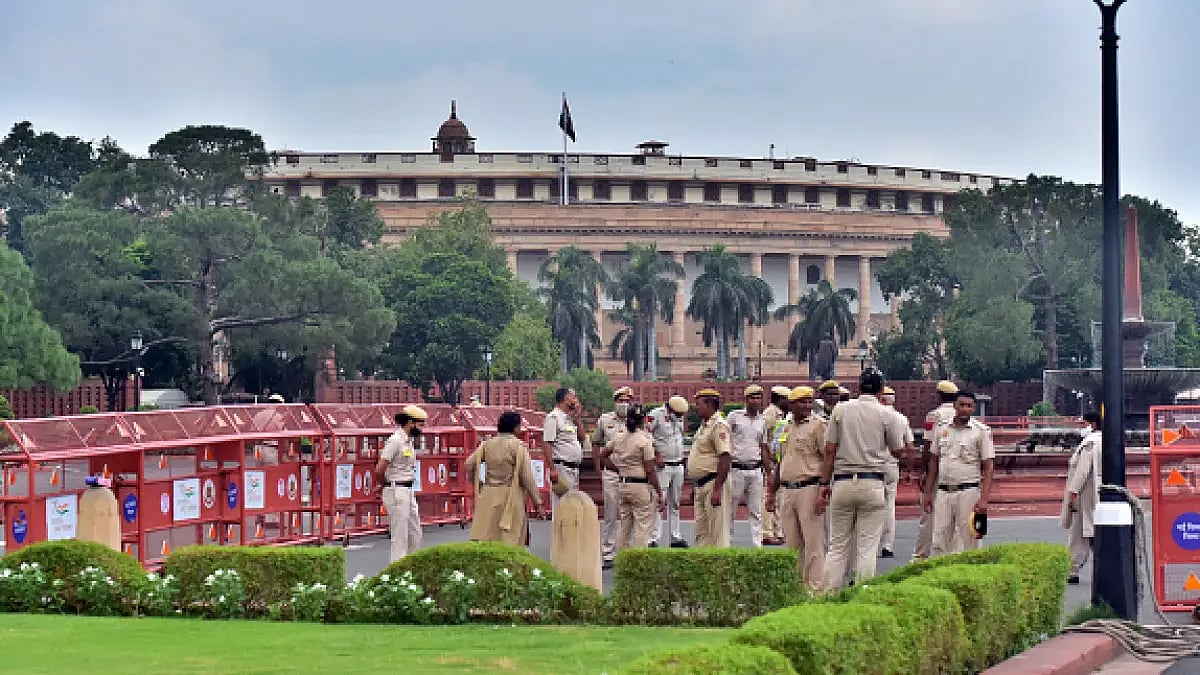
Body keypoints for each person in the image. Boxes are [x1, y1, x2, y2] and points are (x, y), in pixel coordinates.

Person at [818, 369, 906, 588]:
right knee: (867, 546)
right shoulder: (887, 414)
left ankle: (827, 594)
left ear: (858, 386)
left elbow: (829, 450)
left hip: (842, 482)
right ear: (881, 389)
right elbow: (897, 451)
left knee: (837, 546)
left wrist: (823, 485)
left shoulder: (841, 409)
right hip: (872, 481)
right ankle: (861, 592)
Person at [767, 386, 827, 591]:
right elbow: (780, 462)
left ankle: (815, 588)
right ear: (791, 404)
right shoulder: (784, 428)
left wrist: (824, 491)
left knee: (813, 542)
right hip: (787, 489)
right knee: (792, 543)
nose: (807, 406)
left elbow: (828, 459)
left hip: (809, 487)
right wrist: (771, 493)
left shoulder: (819, 426)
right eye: (802, 402)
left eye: (809, 402)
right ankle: (797, 587)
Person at [924, 391, 995, 557]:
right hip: (943, 491)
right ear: (955, 406)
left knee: (970, 539)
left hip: (968, 492)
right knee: (939, 539)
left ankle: (971, 578)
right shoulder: (941, 428)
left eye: (969, 406)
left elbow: (989, 466)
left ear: (974, 408)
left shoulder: (980, 432)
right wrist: (928, 492)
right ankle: (939, 578)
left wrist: (984, 499)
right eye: (961, 405)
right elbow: (933, 461)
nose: (965, 409)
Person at [465, 411, 546, 545]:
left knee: (489, 537)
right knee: (509, 537)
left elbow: (468, 465)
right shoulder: (517, 446)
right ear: (515, 428)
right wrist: (538, 503)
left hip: (489, 493)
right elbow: (527, 477)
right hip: (511, 495)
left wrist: (477, 483)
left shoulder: (487, 444)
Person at [598, 405, 664, 551]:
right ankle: (640, 563)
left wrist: (616, 469)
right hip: (640, 486)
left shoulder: (618, 437)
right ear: (644, 420)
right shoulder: (644, 440)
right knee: (643, 526)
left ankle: (623, 560)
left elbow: (602, 455)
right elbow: (650, 470)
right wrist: (659, 492)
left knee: (624, 526)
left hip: (623, 484)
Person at [373, 405, 427, 562]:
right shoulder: (395, 441)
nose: (422, 428)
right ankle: (396, 575)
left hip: (408, 490)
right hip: (397, 490)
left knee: (415, 534)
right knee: (400, 537)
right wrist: (385, 484)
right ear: (410, 422)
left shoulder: (408, 441)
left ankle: (410, 569)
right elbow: (379, 469)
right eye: (420, 424)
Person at [914, 380, 959, 560]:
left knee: (928, 512)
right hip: (956, 469)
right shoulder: (961, 414)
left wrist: (922, 470)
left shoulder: (935, 415)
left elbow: (928, 444)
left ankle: (921, 554)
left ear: (939, 395)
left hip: (936, 469)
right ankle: (952, 554)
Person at [594, 386, 635, 568]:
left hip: (631, 473)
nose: (624, 404)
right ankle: (608, 553)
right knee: (610, 514)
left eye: (627, 401)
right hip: (611, 473)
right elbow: (595, 443)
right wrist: (598, 469)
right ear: (615, 402)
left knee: (630, 514)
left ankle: (627, 553)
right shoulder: (605, 420)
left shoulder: (636, 420)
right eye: (621, 401)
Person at [687, 388, 733, 547]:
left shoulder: (719, 426)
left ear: (709, 404)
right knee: (702, 532)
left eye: (698, 404)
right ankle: (704, 568)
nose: (696, 407)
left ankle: (721, 570)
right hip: (702, 484)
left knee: (717, 532)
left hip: (714, 482)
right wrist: (696, 483)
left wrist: (718, 489)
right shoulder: (704, 425)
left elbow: (725, 457)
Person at [1061, 412, 1102, 584]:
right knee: (1089, 531)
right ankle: (1074, 568)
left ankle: (1073, 569)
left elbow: (1082, 471)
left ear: (1092, 425)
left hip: (1085, 494)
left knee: (1082, 532)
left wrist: (1073, 492)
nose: (1080, 427)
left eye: (1082, 423)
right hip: (1095, 492)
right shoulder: (1102, 440)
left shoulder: (1090, 444)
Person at [727, 385, 768, 546]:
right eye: (752, 398)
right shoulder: (734, 417)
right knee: (731, 508)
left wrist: (768, 472)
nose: (755, 401)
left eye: (758, 398)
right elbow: (725, 440)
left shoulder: (762, 420)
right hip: (736, 468)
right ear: (746, 399)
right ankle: (726, 542)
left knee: (756, 510)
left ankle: (757, 545)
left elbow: (763, 446)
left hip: (756, 469)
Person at [648, 396, 690, 548]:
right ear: (670, 409)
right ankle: (654, 537)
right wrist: (656, 453)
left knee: (676, 502)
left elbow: (679, 437)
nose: (680, 417)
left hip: (678, 463)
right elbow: (646, 435)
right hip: (662, 466)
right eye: (678, 414)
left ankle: (675, 536)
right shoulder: (655, 415)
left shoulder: (679, 417)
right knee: (660, 501)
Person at [879, 386, 915, 558]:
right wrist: (909, 470)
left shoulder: (872, 415)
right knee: (889, 505)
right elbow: (910, 446)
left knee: (870, 506)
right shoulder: (901, 418)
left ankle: (871, 543)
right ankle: (887, 545)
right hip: (892, 466)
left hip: (872, 466)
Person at [543, 387, 587, 514]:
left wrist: (578, 419)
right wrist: (552, 469)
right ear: (565, 399)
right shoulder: (554, 417)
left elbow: (583, 438)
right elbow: (546, 443)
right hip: (561, 468)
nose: (576, 400)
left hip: (573, 469)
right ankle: (559, 534)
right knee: (561, 508)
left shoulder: (569, 419)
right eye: (573, 397)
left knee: (571, 509)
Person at [760, 386, 791, 545]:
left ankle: (777, 531)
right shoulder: (769, 416)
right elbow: (763, 441)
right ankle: (766, 532)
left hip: (779, 461)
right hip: (771, 463)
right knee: (769, 496)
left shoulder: (782, 415)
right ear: (780, 399)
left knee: (778, 498)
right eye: (788, 399)